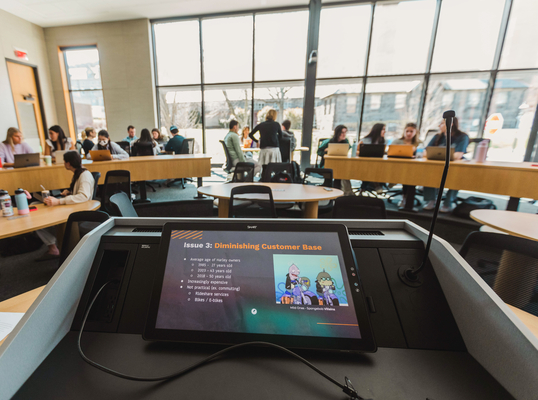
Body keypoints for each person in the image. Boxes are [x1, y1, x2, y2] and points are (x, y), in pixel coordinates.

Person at [35, 151, 95, 261]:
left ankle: (57, 246)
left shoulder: (84, 176)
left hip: (79, 211)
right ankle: (56, 244)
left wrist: (58, 202)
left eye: (64, 161)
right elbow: (80, 193)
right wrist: (70, 192)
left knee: (39, 220)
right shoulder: (79, 173)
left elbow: (83, 196)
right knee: (39, 214)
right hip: (75, 208)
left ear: (68, 163)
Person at [423, 117, 469, 213]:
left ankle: (447, 203)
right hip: (436, 165)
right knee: (427, 172)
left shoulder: (462, 137)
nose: (440, 125)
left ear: (450, 124)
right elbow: (425, 152)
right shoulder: (437, 137)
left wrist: (439, 154)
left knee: (457, 177)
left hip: (454, 167)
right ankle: (431, 200)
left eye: (442, 123)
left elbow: (458, 155)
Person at [392, 123, 422, 208]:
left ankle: (406, 199)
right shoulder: (397, 142)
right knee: (406, 176)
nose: (409, 133)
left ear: (416, 132)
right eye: (407, 131)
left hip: (415, 168)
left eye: (411, 131)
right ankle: (404, 198)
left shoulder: (419, 143)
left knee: (410, 176)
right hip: (399, 167)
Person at [317, 125, 352, 195]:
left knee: (340, 172)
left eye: (345, 132)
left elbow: (348, 150)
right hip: (328, 164)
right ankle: (328, 186)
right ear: (337, 133)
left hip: (341, 164)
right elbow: (319, 152)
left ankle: (338, 189)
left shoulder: (346, 142)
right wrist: (325, 151)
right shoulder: (328, 142)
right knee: (332, 171)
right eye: (342, 132)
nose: (344, 134)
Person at [356, 123, 386, 193]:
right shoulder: (365, 140)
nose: (385, 131)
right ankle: (376, 185)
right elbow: (356, 151)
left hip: (378, 164)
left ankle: (365, 187)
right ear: (378, 130)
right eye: (383, 129)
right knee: (370, 168)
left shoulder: (382, 141)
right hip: (364, 164)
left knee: (375, 168)